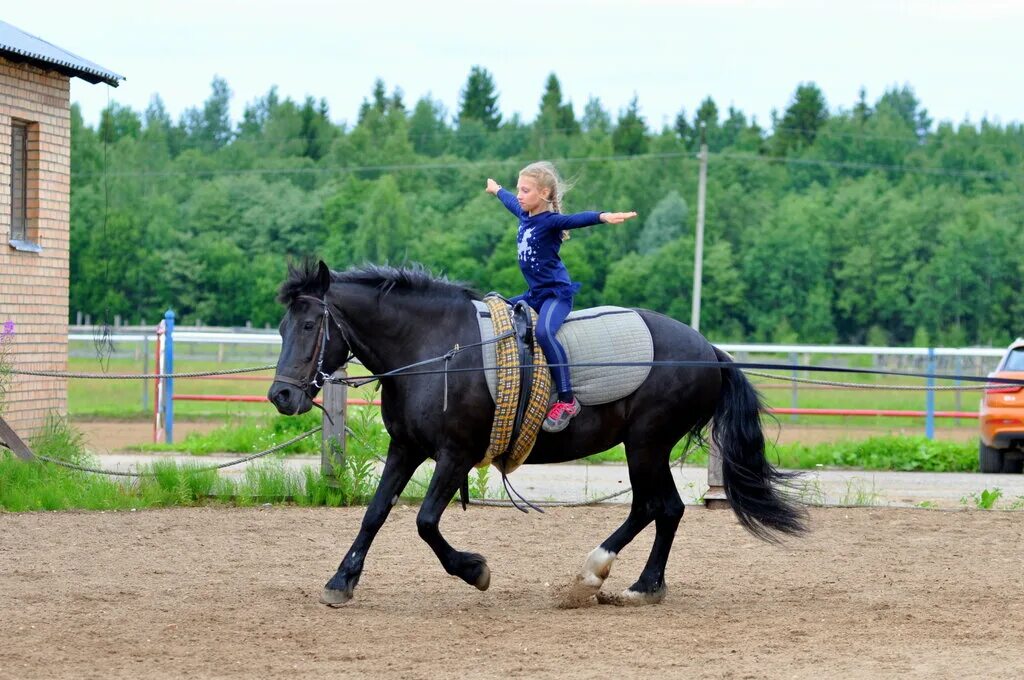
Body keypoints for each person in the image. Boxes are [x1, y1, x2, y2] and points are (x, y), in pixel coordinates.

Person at [486, 161, 637, 432]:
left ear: (543, 194)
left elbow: (576, 219)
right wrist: (497, 190)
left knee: (544, 333)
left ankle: (567, 400)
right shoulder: (524, 216)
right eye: (519, 189)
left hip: (556, 295)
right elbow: (510, 201)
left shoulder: (551, 221)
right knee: (496, 307)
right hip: (534, 294)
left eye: (525, 190)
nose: (519, 195)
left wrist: (603, 216)